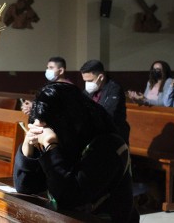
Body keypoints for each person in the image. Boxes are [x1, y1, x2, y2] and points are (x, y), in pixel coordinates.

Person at [13, 82, 139, 223]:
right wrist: (27, 148)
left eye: (47, 127)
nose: (43, 133)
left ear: (68, 120)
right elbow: (25, 187)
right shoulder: (65, 137)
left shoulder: (109, 145)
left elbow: (69, 198)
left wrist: (50, 145)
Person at [80, 59, 129, 144]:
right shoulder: (88, 90)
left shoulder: (114, 89)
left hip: (114, 136)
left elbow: (106, 114)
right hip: (95, 136)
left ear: (101, 77)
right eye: (85, 81)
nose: (87, 84)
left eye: (90, 81)